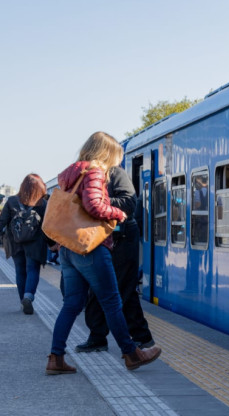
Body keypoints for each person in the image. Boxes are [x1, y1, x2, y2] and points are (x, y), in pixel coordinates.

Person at [46, 131, 161, 375]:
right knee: (112, 301)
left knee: (73, 303)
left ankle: (55, 358)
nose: (116, 162)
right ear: (106, 153)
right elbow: (94, 205)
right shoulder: (95, 170)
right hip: (90, 247)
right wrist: (118, 214)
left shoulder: (71, 171)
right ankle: (132, 353)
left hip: (68, 246)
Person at [75, 166, 155, 353]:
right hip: (100, 237)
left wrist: (96, 202)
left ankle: (139, 337)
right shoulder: (86, 174)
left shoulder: (115, 173)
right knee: (99, 287)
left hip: (122, 237)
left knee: (123, 287)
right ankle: (100, 336)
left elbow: (129, 202)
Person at [0, 173, 51, 314]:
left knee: (20, 271)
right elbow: (48, 227)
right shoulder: (43, 204)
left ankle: (23, 301)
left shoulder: (11, 201)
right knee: (32, 270)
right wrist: (52, 244)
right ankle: (28, 297)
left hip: (15, 243)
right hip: (35, 244)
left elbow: (2, 222)